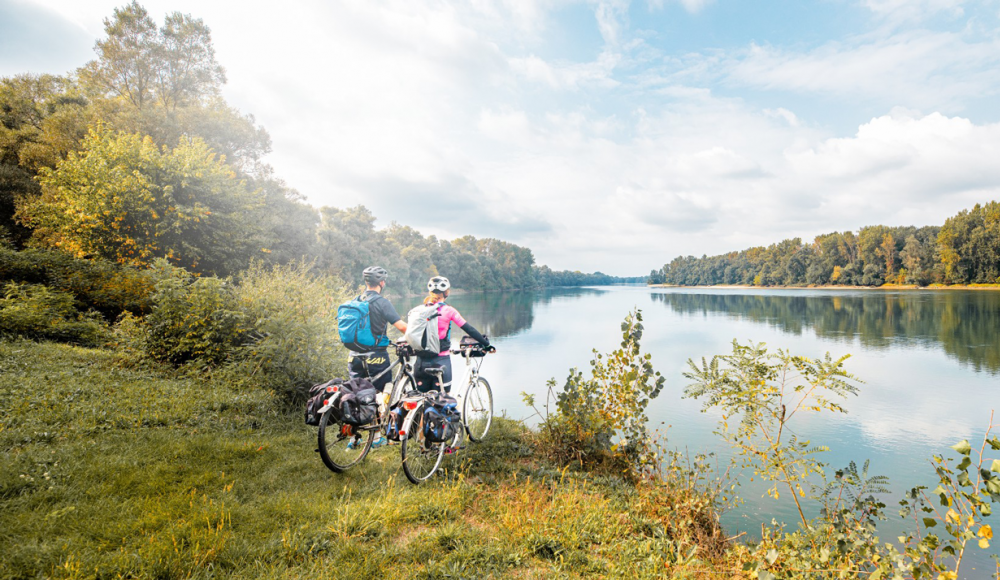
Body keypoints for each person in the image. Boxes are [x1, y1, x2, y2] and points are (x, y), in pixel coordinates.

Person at [413, 276, 493, 393]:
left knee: (422, 400)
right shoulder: (448, 310)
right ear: (447, 292)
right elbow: (469, 329)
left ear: (430, 292)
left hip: (420, 363)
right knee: (443, 402)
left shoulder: (418, 310)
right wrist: (486, 344)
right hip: (440, 362)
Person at [348, 266, 407, 393]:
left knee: (357, 393)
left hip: (354, 355)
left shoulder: (356, 301)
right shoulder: (382, 302)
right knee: (382, 394)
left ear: (366, 282)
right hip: (376, 355)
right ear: (382, 283)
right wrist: (419, 339)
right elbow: (402, 327)